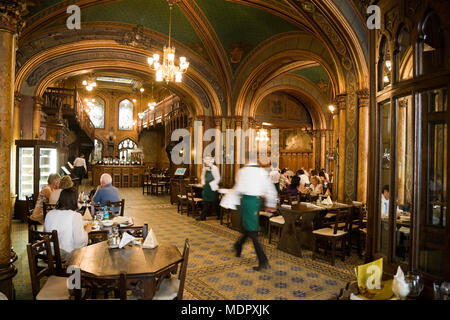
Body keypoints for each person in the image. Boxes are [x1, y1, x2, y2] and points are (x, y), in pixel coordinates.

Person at [232, 160, 277, 271]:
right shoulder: (262, 171)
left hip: (247, 201)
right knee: (247, 227)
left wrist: (231, 198)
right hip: (257, 202)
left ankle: (263, 261)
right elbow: (270, 188)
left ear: (247, 162)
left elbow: (238, 187)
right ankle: (238, 245)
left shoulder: (243, 171)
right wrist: (270, 203)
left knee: (252, 231)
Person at [44, 188, 91, 261]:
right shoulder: (75, 215)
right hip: (64, 255)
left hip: (48, 253)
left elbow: (45, 234)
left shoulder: (49, 214)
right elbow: (79, 242)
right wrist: (86, 231)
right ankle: (80, 271)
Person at [197, 156, 221, 221]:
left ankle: (219, 215)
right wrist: (203, 183)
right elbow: (202, 176)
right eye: (206, 159)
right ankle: (203, 217)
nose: (207, 160)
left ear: (211, 160)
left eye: (209, 159)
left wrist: (211, 184)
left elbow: (218, 178)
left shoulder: (215, 168)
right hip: (206, 187)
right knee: (205, 202)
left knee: (216, 202)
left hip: (213, 187)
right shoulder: (204, 168)